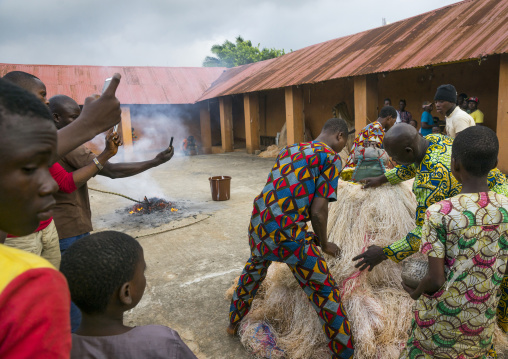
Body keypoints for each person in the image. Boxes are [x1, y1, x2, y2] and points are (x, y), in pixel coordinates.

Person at [352, 124, 508, 333]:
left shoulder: (431, 181)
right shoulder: (433, 140)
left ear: (408, 150)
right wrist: (383, 178)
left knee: (487, 276)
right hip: (499, 200)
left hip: (487, 213)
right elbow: (413, 164)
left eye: (393, 156)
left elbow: (423, 232)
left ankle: (492, 330)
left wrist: (384, 252)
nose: (392, 161)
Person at [228, 118, 354, 359]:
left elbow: (282, 190)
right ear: (339, 136)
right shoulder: (330, 158)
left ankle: (232, 323)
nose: (343, 147)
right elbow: (318, 210)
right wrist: (325, 243)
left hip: (259, 225)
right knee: (325, 292)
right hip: (288, 234)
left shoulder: (290, 149)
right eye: (344, 141)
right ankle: (344, 351)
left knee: (252, 274)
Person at [49, 94, 174, 331]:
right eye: (74, 117)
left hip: (65, 227)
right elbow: (111, 171)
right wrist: (154, 161)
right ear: (56, 117)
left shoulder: (54, 140)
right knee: (74, 296)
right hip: (68, 229)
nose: (80, 122)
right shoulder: (64, 143)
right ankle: (81, 345)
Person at [400, 126, 506, 358]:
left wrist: (416, 292)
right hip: (481, 324)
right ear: (494, 162)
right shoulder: (506, 209)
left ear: (455, 164)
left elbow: (435, 279)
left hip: (438, 330)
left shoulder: (440, 212)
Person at [2, 71, 121, 269]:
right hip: (19, 237)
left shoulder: (35, 134)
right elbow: (24, 159)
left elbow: (64, 182)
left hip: (47, 227)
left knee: (57, 284)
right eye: (42, 94)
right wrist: (89, 123)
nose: (46, 102)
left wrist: (105, 153)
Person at [60, 231, 197, 359]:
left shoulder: (58, 350)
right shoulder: (163, 342)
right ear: (126, 293)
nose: (144, 277)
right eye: (142, 272)